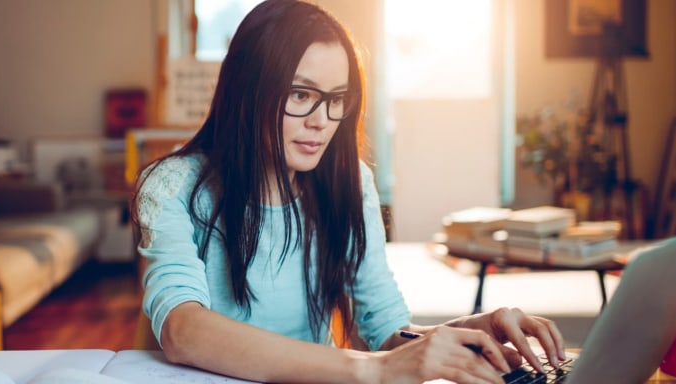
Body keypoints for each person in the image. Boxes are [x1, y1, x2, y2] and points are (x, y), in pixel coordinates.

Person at [132, 1, 566, 382]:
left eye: (336, 98)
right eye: (301, 94)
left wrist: (468, 334)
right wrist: (371, 370)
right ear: (248, 91)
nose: (321, 120)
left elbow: (385, 329)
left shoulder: (350, 181)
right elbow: (182, 330)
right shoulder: (173, 185)